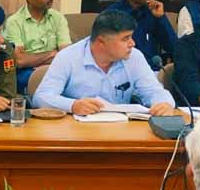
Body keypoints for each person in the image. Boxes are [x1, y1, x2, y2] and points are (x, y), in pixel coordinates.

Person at [33, 10, 177, 115]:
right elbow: (41, 97)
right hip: (76, 130)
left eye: (131, 37)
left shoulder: (134, 57)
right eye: (125, 39)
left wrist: (164, 103)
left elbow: (153, 91)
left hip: (120, 130)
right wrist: (73, 105)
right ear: (101, 42)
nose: (132, 44)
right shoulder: (68, 57)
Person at [3, 0, 72, 94]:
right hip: (25, 72)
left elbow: (66, 55)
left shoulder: (58, 18)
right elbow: (20, 61)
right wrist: (51, 54)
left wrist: (38, 62)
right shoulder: (14, 22)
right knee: (44, 81)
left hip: (54, 68)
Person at [104, 0, 177, 67]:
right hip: (123, 70)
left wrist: (161, 18)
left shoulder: (152, 11)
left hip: (153, 70)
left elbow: (174, 48)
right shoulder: (112, 15)